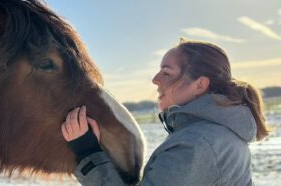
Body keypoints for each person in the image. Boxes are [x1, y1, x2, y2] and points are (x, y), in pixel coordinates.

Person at [61, 39, 269, 186]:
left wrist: (87, 152)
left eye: (166, 72)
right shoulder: (218, 134)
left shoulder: (197, 145)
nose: (155, 79)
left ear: (199, 85)